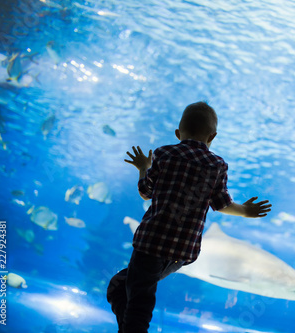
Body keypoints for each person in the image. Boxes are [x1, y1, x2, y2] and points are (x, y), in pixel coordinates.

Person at [107, 101, 272, 333]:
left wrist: (144, 167)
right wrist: (245, 210)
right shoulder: (217, 165)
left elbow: (146, 192)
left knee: (135, 301)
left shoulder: (164, 154)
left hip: (150, 244)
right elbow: (221, 204)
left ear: (178, 133)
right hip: (181, 254)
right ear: (212, 137)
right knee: (125, 288)